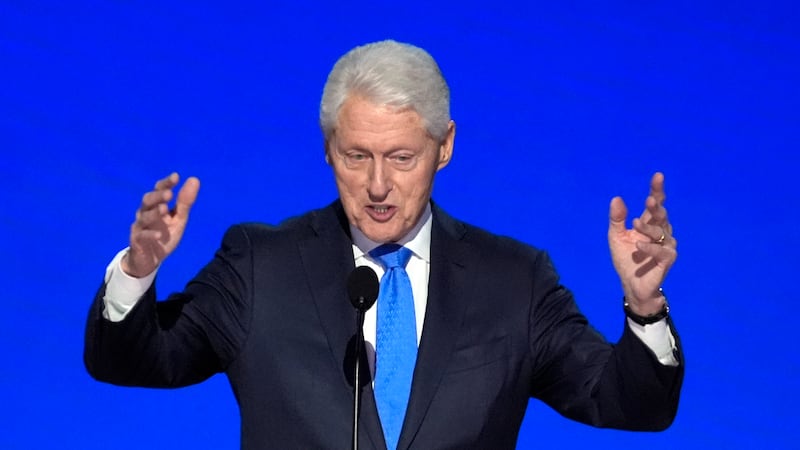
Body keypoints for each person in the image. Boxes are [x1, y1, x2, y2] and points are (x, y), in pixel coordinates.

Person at [84, 40, 683, 449]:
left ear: (444, 147)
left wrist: (645, 308)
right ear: (327, 150)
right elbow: (136, 361)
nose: (377, 185)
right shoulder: (258, 266)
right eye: (355, 156)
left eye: (400, 158)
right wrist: (136, 274)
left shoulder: (514, 281)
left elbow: (630, 405)